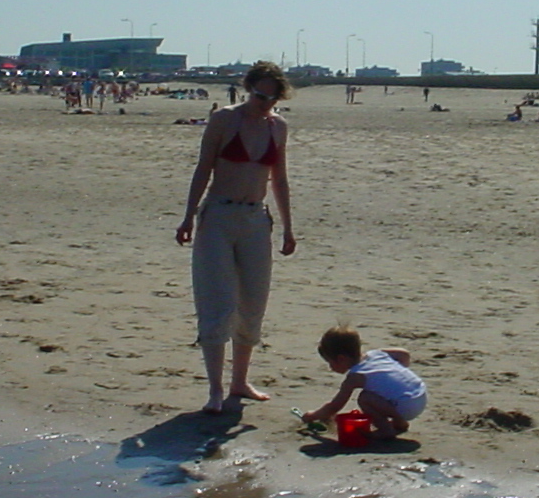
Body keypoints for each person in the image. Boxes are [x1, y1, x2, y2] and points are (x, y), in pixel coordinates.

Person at [175, 61, 296, 413]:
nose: (265, 104)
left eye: (272, 99)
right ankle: (215, 389)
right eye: (260, 96)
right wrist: (188, 216)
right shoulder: (224, 120)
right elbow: (204, 168)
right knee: (217, 303)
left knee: (253, 303)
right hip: (218, 216)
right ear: (248, 90)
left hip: (255, 218)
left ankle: (239, 382)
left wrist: (288, 227)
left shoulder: (278, 126)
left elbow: (280, 179)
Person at [302, 326, 427, 440]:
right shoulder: (377, 354)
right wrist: (398, 375)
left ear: (341, 359)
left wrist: (313, 415)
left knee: (365, 398)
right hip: (421, 394)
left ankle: (385, 429)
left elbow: (336, 405)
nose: (330, 368)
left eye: (330, 363)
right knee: (376, 392)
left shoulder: (355, 376)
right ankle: (399, 422)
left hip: (407, 406)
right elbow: (404, 354)